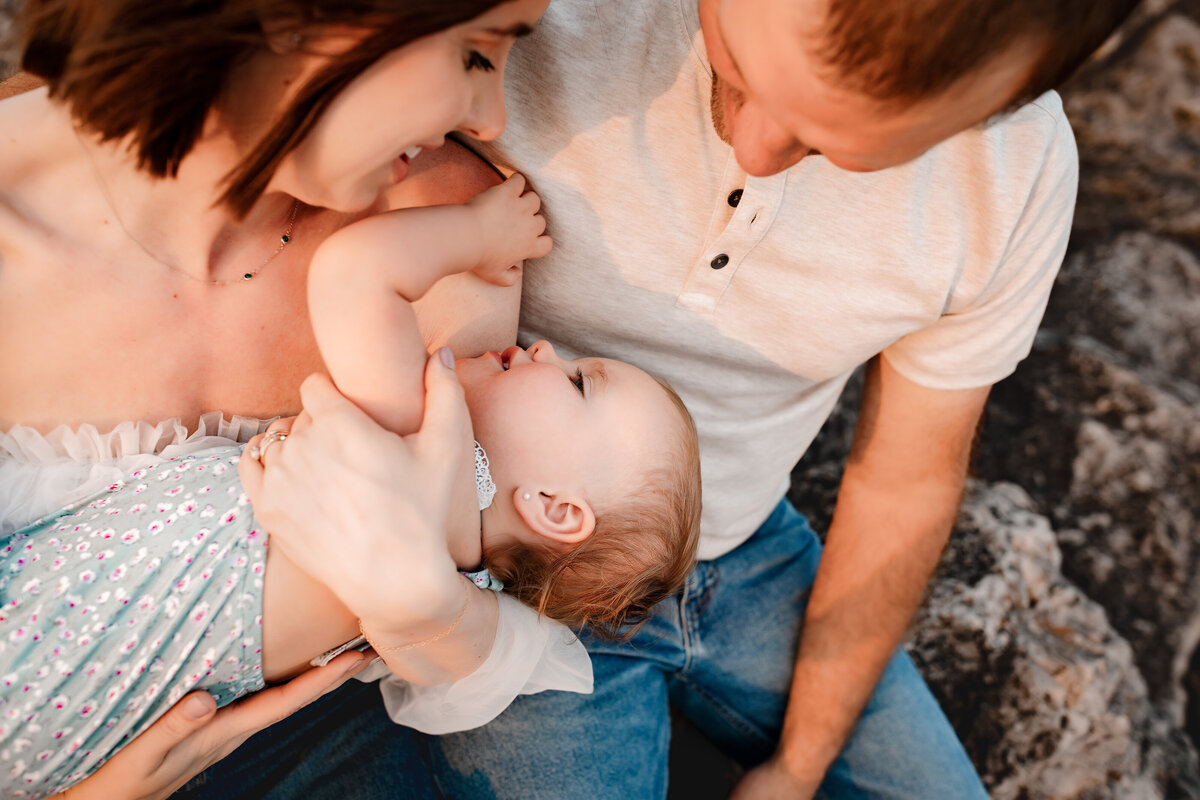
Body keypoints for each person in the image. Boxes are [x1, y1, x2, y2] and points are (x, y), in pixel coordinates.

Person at [154, 0, 1142, 798]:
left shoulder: (1011, 176)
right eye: (737, 70)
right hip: (515, 556)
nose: (754, 150)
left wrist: (797, 767)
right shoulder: (534, 20)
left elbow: (905, 478)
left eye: (831, 144)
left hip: (753, 550)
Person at [0, 0, 623, 797]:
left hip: (297, 714)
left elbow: (464, 560)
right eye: (474, 53)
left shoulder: (443, 221)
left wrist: (430, 606)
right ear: (292, 17)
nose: (494, 117)